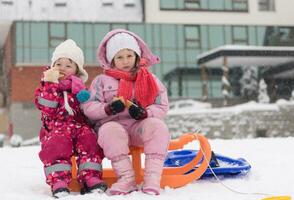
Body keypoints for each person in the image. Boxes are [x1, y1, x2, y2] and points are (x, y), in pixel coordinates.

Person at [81, 29, 171, 195]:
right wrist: (107, 109)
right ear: (111, 60)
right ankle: (126, 178)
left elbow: (162, 105)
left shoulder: (150, 78)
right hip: (115, 127)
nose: (125, 61)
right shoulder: (101, 81)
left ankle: (152, 178)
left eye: (129, 55)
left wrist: (145, 113)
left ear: (137, 56)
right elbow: (88, 106)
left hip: (139, 127)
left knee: (158, 127)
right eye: (119, 57)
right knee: (108, 130)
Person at [34, 39, 107, 198]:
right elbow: (47, 107)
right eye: (59, 64)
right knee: (57, 143)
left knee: (89, 139)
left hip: (79, 126)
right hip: (56, 127)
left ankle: (90, 177)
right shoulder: (45, 86)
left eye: (68, 65)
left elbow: (88, 109)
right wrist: (51, 84)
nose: (63, 68)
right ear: (53, 66)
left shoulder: (79, 88)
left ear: (76, 70)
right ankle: (58, 181)